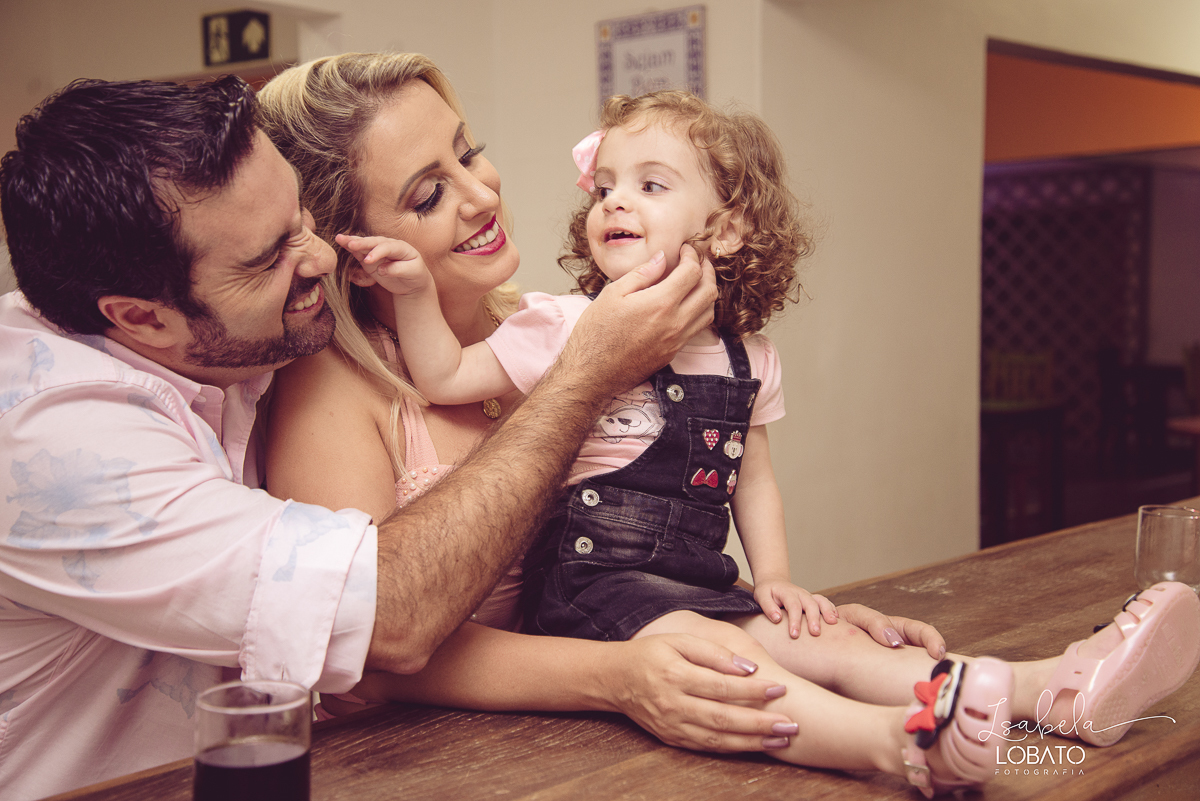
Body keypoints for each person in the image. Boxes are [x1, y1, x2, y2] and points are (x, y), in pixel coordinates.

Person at [334, 87, 1200, 796]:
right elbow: (443, 375)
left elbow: (752, 479)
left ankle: (1054, 687)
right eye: (606, 189)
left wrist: (779, 581)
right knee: (734, 663)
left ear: (725, 229)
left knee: (835, 644)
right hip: (595, 583)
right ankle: (898, 741)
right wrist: (413, 295)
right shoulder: (559, 322)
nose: (616, 202)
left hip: (700, 574)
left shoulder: (748, 356)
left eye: (651, 185)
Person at [0, 74, 773, 801]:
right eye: (270, 256)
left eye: (302, 220)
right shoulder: (56, 444)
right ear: (141, 318)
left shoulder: (257, 347)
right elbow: (383, 625)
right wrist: (585, 376)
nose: (322, 256)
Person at [256, 51, 958, 761]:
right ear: (354, 252)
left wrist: (788, 622)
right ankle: (905, 747)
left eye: (469, 154)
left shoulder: (540, 326)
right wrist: (621, 673)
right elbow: (367, 649)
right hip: (417, 761)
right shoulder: (336, 385)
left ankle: (990, 714)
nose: (482, 194)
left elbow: (635, 548)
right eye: (429, 194)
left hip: (583, 738)